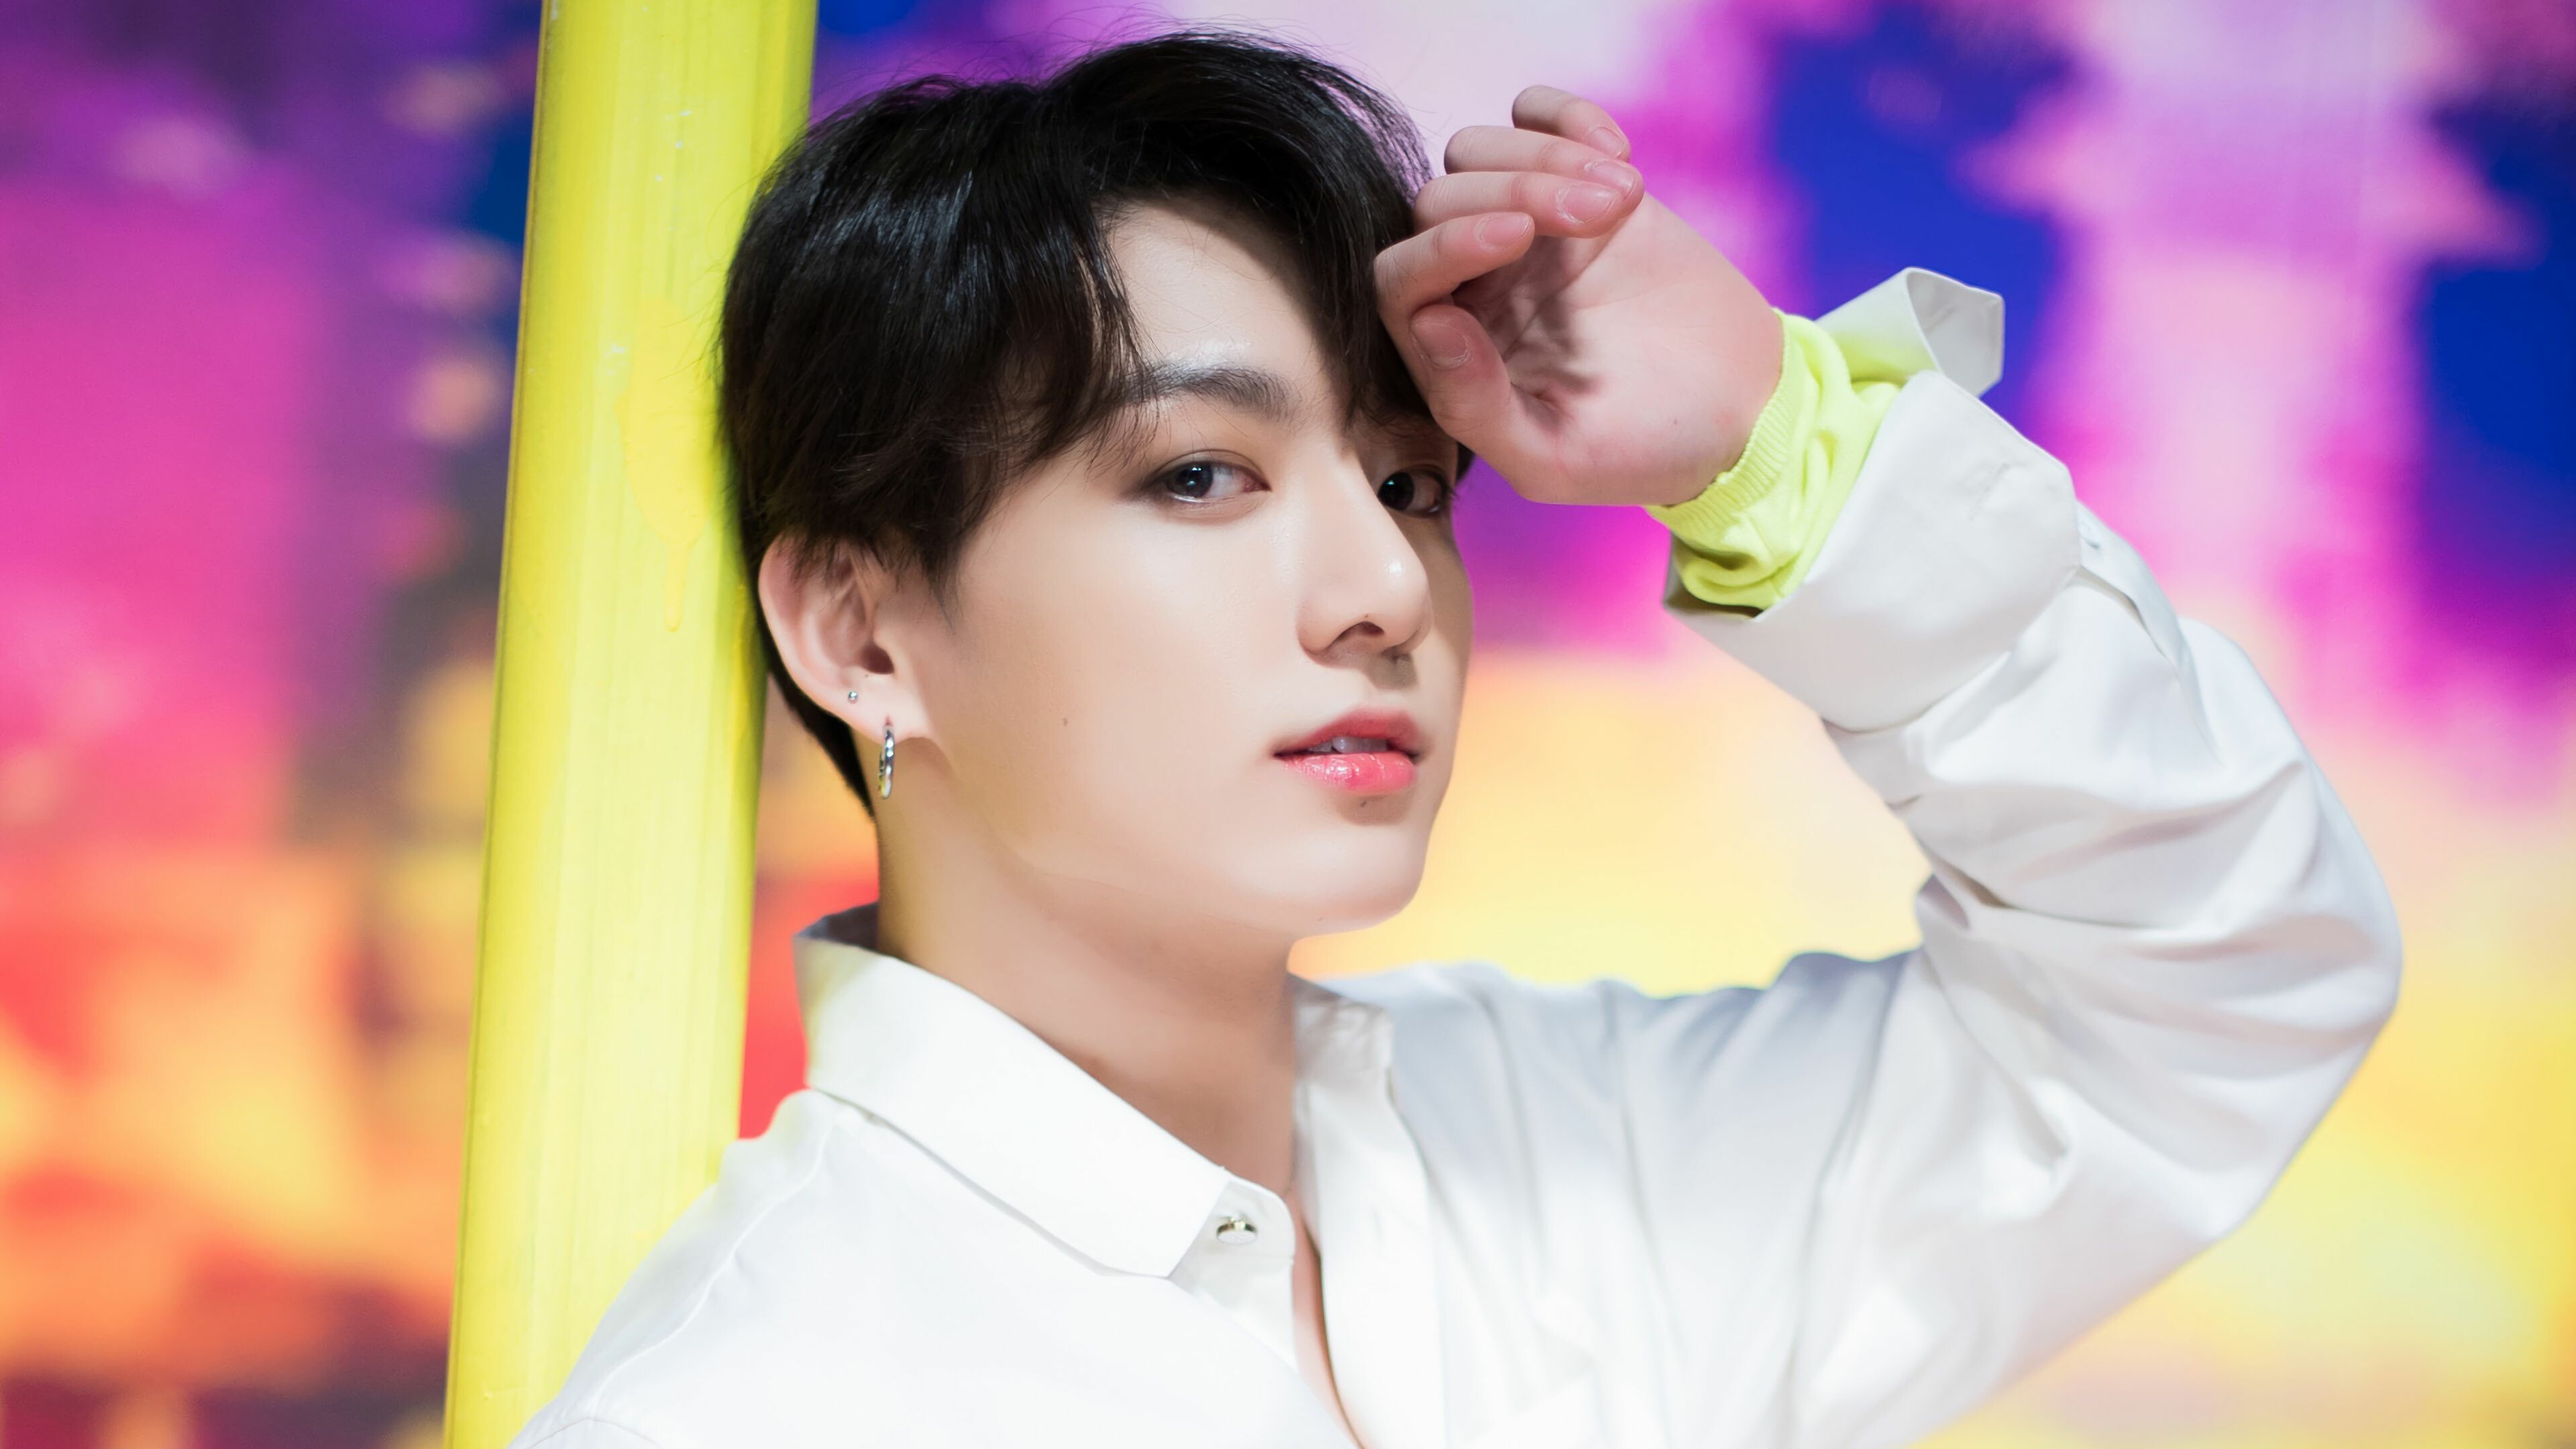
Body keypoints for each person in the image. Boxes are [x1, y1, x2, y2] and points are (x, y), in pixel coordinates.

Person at [507, 29, 2401, 1449]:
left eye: (1410, 483)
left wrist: (1779, 439)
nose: (1380, 589)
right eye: (1200, 474)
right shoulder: (754, 1401)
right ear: (861, 631)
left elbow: (2209, 990)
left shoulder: (1571, 1167)